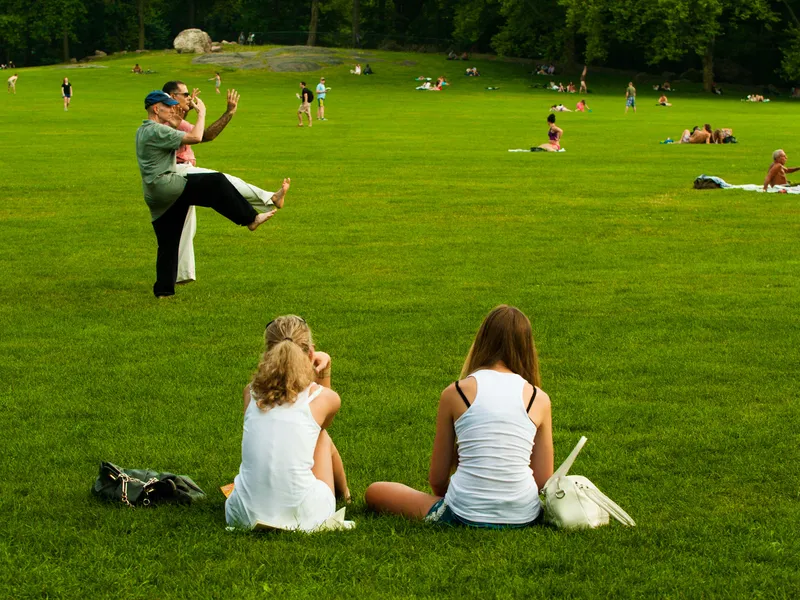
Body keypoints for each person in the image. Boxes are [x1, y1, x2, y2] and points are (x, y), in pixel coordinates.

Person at [365, 305, 553, 528]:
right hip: (524, 514)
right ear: (527, 347)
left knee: (375, 491)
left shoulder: (456, 393)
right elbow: (543, 480)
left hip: (463, 512)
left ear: (482, 340)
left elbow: (437, 479)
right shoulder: (538, 398)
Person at [135, 90, 276, 298]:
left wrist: (175, 120)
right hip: (168, 185)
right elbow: (196, 137)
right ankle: (250, 218)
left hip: (155, 193)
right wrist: (201, 113)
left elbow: (171, 136)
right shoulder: (156, 130)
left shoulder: (145, 129)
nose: (173, 109)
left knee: (168, 241)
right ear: (156, 109)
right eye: (168, 106)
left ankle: (163, 291)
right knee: (216, 182)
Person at [225, 315, 350, 531]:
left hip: (242, 514)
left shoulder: (250, 392)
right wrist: (325, 365)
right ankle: (345, 495)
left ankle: (343, 495)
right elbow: (322, 421)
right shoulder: (323, 399)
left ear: (267, 354)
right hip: (306, 516)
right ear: (310, 353)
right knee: (321, 434)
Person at [163, 80, 289, 285]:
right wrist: (207, 113)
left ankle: (181, 275)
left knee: (184, 226)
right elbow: (198, 135)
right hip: (178, 172)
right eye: (184, 94)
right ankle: (268, 198)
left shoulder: (172, 118)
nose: (189, 97)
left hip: (180, 174)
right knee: (222, 181)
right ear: (170, 96)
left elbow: (202, 134)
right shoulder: (164, 119)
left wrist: (227, 112)